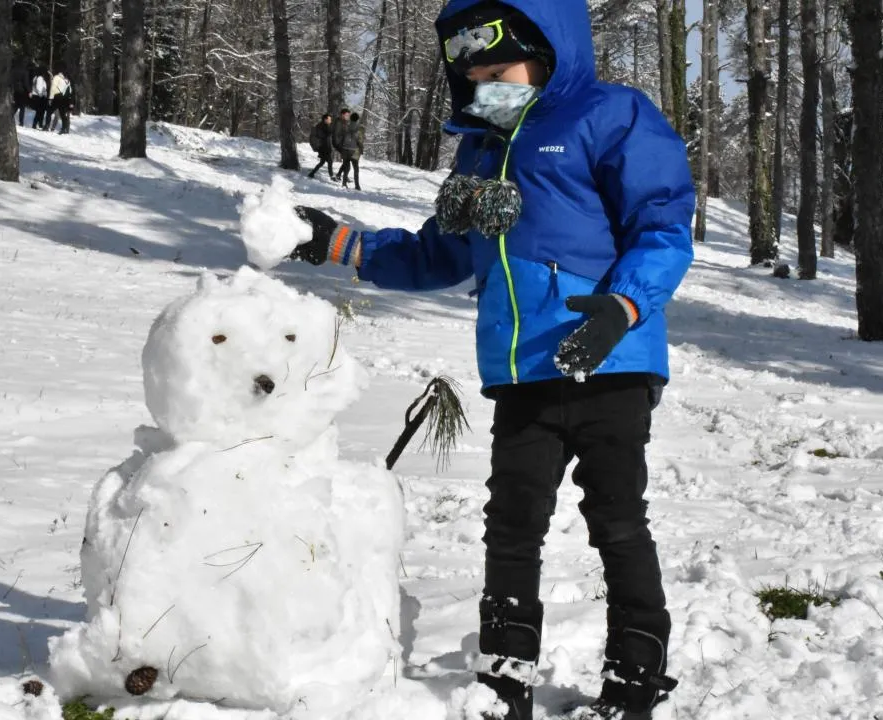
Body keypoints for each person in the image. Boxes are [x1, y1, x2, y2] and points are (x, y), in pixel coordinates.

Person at [287, 2, 694, 719]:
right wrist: (341, 243)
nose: (485, 85)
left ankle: (635, 674)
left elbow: (662, 228)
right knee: (512, 524)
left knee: (616, 518)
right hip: (522, 373)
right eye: (472, 75)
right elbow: (438, 253)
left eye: (498, 70)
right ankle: (503, 680)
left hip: (611, 363)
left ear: (549, 53)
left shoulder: (609, 116)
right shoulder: (479, 149)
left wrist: (624, 308)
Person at [334, 109, 365, 190]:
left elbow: (341, 137)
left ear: (350, 118)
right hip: (354, 151)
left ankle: (344, 183)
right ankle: (357, 186)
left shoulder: (346, 126)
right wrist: (361, 149)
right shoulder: (360, 128)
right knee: (356, 169)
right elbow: (360, 141)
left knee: (346, 167)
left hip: (345, 149)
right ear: (358, 119)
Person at [307, 114, 336, 181]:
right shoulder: (320, 126)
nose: (330, 121)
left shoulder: (326, 126)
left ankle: (312, 173)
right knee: (330, 162)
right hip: (323, 148)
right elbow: (322, 136)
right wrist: (329, 132)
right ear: (325, 119)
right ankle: (332, 176)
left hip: (326, 147)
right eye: (329, 119)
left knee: (322, 162)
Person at [49, 69, 73, 134]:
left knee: (63, 115)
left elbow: (72, 93)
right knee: (63, 115)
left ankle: (64, 129)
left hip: (63, 99)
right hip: (64, 99)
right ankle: (64, 129)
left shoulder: (68, 83)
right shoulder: (66, 82)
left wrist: (51, 98)